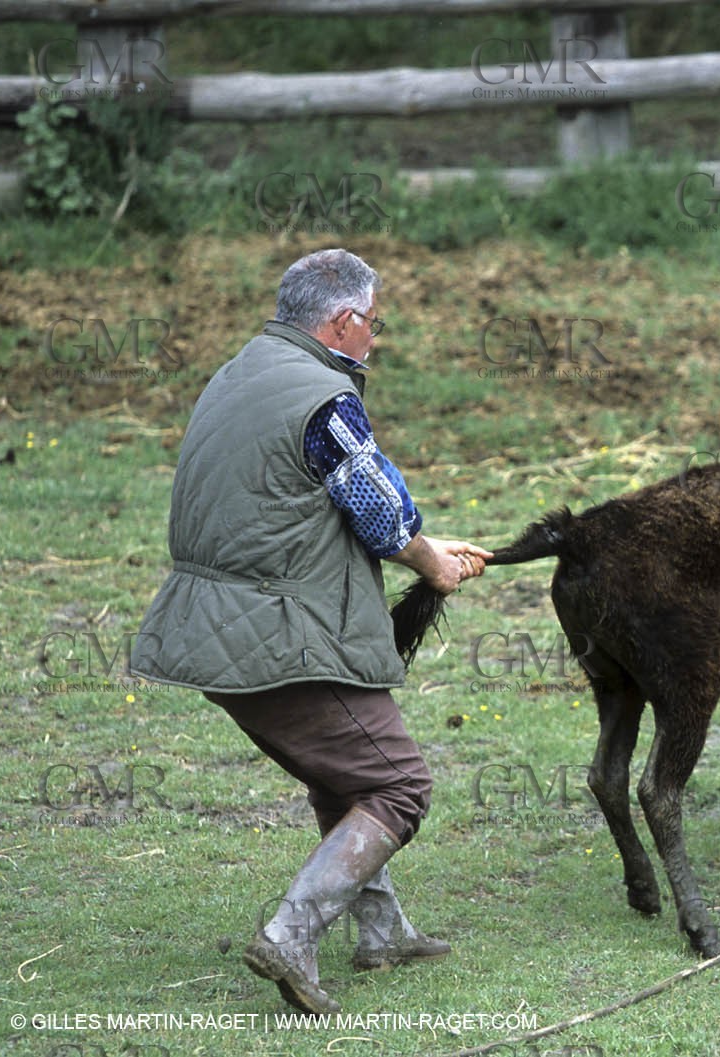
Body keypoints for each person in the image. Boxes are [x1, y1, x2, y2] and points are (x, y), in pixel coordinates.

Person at [130, 249, 493, 1012]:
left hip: (209, 622)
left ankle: (381, 930)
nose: (376, 340)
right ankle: (291, 934)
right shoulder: (323, 397)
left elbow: (292, 501)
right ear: (343, 320)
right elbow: (381, 514)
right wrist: (431, 560)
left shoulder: (240, 372)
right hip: (278, 634)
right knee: (398, 785)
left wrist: (426, 545)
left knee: (348, 775)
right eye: (374, 324)